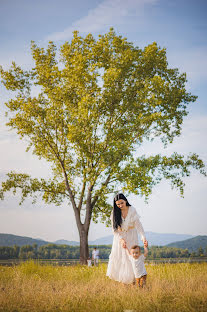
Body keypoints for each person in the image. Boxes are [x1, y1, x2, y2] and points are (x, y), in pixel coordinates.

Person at [106, 193, 148, 284]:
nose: (120, 206)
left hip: (131, 236)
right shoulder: (114, 212)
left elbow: (138, 225)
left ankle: (133, 281)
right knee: (121, 259)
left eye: (122, 203)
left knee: (131, 259)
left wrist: (143, 237)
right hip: (119, 238)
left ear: (125, 201)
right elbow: (115, 229)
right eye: (118, 204)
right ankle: (123, 282)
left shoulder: (132, 210)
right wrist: (121, 239)